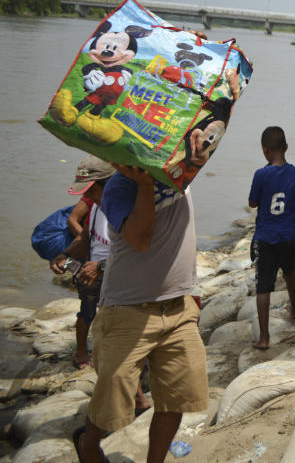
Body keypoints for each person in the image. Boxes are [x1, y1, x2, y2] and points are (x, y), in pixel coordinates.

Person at [74, 165, 207, 463]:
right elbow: (141, 239)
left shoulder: (177, 171)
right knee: (111, 402)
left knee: (177, 398)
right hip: (127, 312)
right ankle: (88, 443)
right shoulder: (119, 189)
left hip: (178, 307)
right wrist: (145, 185)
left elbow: (204, 142)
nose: (87, 197)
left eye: (89, 189)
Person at [50, 157, 116, 370]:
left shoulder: (127, 212)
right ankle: (81, 350)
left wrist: (101, 267)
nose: (86, 197)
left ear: (108, 185)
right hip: (92, 269)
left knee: (117, 321)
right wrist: (64, 254)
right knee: (86, 311)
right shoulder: (96, 208)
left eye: (90, 190)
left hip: (117, 275)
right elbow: (86, 238)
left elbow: (135, 253)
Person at [248, 126, 295, 349]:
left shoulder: (261, 175)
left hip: (266, 238)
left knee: (263, 286)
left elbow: (252, 203)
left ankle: (264, 338)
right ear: (286, 147)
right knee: (290, 271)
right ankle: (294, 309)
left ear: (265, 150)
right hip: (289, 235)